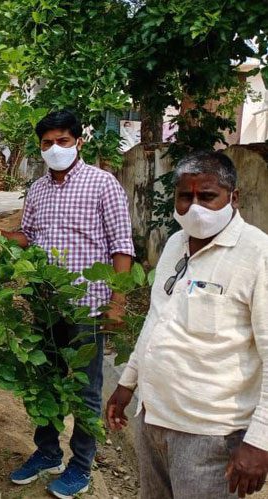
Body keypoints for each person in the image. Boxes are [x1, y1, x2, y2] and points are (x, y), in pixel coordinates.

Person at [106, 151, 268, 498]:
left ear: (233, 197)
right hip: (152, 422)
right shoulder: (175, 244)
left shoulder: (257, 255)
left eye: (207, 196)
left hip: (210, 436)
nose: (195, 207)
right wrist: (128, 383)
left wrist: (259, 441)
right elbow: (157, 318)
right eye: (185, 196)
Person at [2, 110, 135, 498]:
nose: (54, 149)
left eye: (62, 141)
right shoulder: (38, 189)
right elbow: (29, 236)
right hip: (46, 304)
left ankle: (81, 466)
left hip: (87, 308)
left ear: (79, 142)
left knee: (85, 391)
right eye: (47, 143)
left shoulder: (102, 184)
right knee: (44, 379)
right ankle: (46, 453)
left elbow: (121, 247)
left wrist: (118, 302)